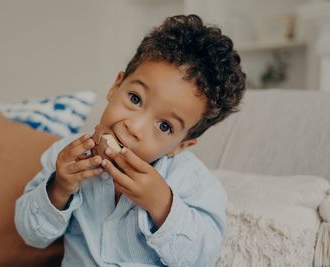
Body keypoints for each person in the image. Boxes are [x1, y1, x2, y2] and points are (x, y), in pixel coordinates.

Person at [15, 14, 246, 266]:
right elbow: (31, 235)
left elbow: (202, 259)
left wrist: (161, 204)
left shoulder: (193, 182)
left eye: (165, 126)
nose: (133, 126)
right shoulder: (67, 156)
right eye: (135, 98)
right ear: (116, 87)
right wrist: (59, 188)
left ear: (181, 146)